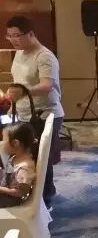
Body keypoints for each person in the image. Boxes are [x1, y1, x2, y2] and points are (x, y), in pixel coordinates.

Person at [4, 16, 64, 209]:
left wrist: (24, 92)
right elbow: (19, 82)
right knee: (25, 157)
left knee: (41, 159)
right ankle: (29, 192)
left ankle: (45, 200)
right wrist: (13, 100)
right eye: (9, 36)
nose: (13, 40)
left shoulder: (44, 56)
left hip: (44, 114)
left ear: (30, 33)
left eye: (17, 35)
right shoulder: (19, 54)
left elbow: (47, 85)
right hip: (23, 113)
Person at [0, 122, 36, 209]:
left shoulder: (24, 168)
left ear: (15, 143)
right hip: (5, 188)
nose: (2, 143)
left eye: (4, 139)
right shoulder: (15, 157)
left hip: (10, 200)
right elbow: (10, 175)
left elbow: (20, 193)